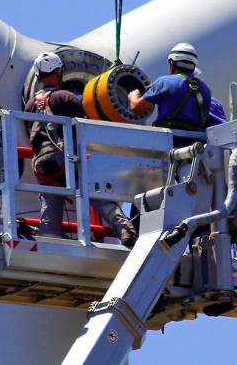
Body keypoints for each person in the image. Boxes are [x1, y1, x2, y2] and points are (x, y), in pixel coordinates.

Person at [23, 52, 138, 246]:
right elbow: (83, 130)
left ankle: (50, 241)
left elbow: (29, 133)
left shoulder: (30, 105)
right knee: (96, 191)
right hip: (67, 159)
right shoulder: (66, 97)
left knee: (49, 201)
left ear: (38, 76)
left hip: (42, 164)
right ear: (59, 71)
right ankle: (124, 229)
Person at [128, 43, 213, 140]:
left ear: (172, 64)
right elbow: (203, 120)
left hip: (169, 140)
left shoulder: (164, 82)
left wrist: (133, 96)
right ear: (194, 65)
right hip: (195, 144)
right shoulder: (205, 90)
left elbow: (136, 108)